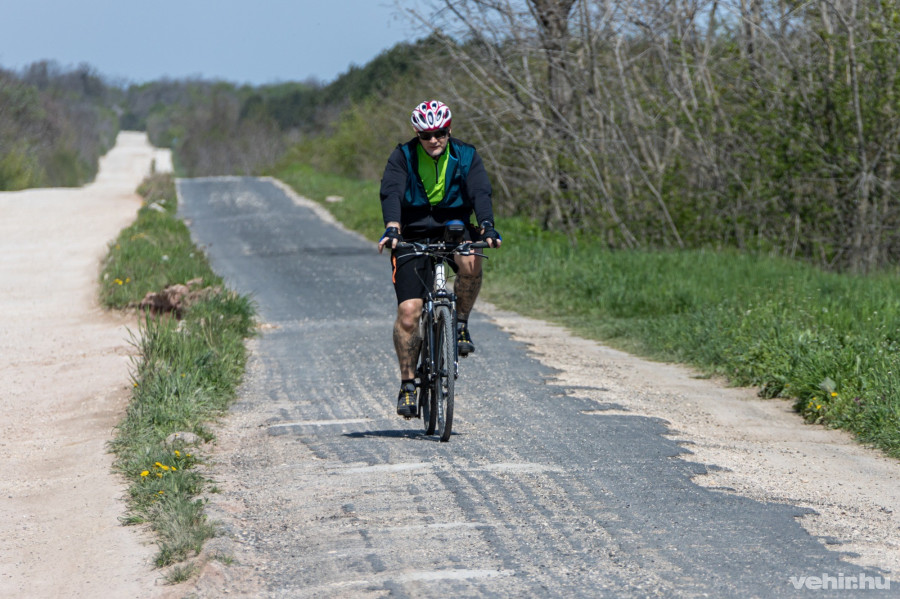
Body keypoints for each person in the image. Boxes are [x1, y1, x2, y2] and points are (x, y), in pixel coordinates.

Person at [378, 100, 502, 417]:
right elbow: (391, 192)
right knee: (409, 313)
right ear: (417, 133)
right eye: (427, 135)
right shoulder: (403, 156)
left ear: (449, 130)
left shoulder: (466, 155)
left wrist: (487, 225)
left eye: (441, 133)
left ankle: (459, 324)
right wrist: (392, 227)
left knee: (472, 261)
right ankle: (408, 385)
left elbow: (480, 191)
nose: (434, 140)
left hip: (454, 227)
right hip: (413, 233)